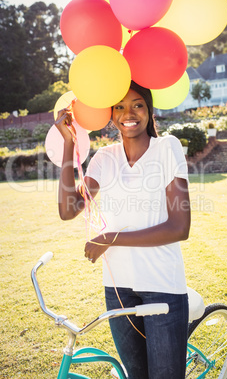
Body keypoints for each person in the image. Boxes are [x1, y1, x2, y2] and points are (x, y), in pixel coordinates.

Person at [55, 80, 191, 379]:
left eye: (137, 104)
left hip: (163, 288)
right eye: (119, 106)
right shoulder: (105, 158)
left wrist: (110, 237)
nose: (128, 113)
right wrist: (69, 142)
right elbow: (68, 210)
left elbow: (179, 227)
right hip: (119, 292)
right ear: (110, 113)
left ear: (149, 109)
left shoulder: (167, 147)